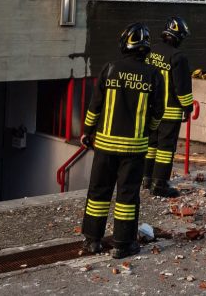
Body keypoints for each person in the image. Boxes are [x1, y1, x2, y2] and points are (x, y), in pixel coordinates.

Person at [79, 22, 164, 258]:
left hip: (105, 145)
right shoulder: (153, 75)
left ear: (125, 44)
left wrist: (87, 131)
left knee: (98, 193)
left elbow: (95, 106)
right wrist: (149, 131)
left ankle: (92, 241)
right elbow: (158, 112)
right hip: (134, 148)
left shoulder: (110, 68)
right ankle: (122, 245)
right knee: (127, 196)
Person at [142, 15, 194, 197]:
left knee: (151, 145)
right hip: (169, 112)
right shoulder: (178, 57)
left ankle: (146, 179)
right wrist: (188, 108)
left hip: (150, 110)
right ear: (179, 37)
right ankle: (160, 184)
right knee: (165, 149)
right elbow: (182, 88)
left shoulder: (150, 51)